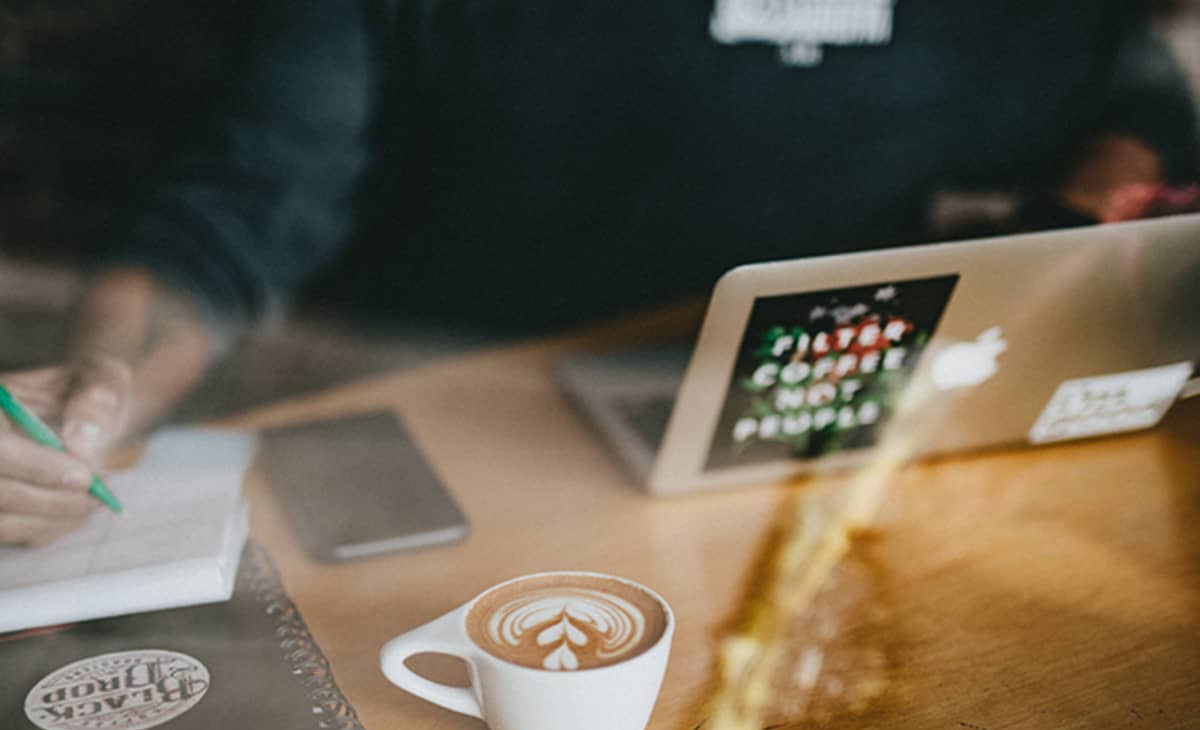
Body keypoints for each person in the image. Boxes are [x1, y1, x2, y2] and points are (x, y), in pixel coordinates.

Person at [1, 0, 1197, 545]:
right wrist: (98, 394)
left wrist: (1086, 210)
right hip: (453, 472)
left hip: (844, 464)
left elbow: (1133, 89)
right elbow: (224, 225)